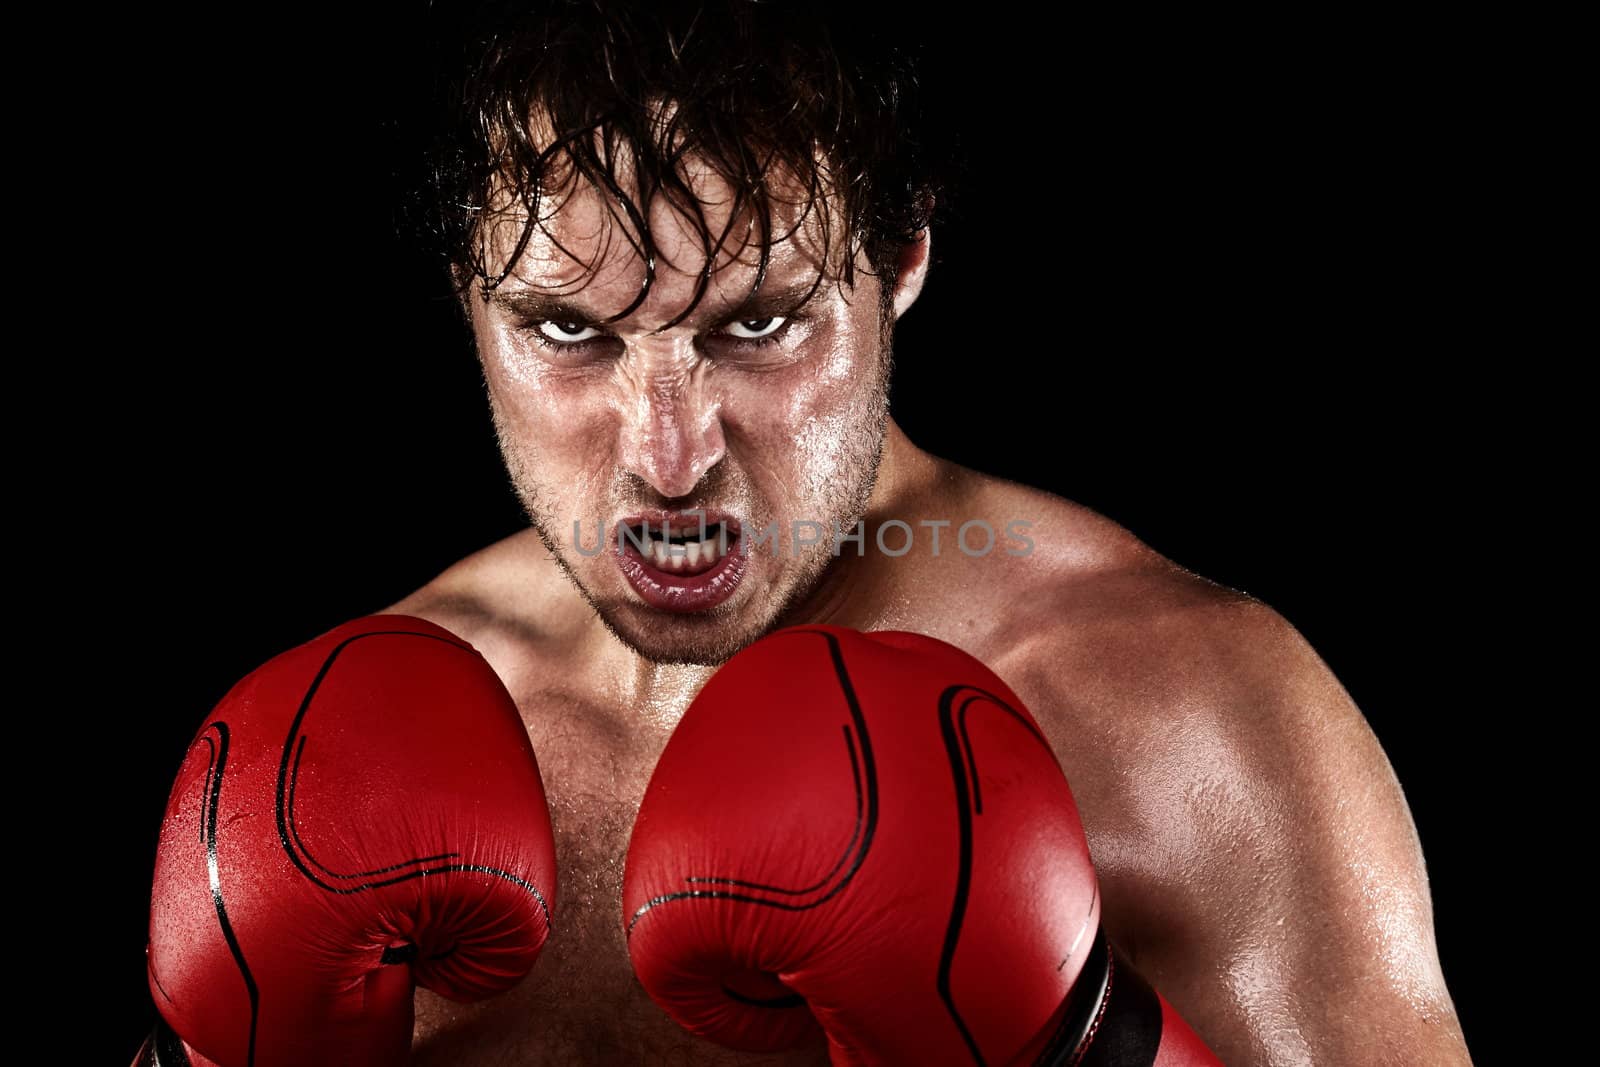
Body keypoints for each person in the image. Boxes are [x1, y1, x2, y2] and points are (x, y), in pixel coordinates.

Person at [139, 3, 1474, 1064]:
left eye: (757, 325)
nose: (669, 456)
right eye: (568, 330)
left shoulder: (1185, 718)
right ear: (466, 298)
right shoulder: (345, 745)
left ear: (900, 262)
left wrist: (1088, 1047)